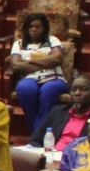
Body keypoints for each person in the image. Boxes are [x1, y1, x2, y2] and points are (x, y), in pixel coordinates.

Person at [8, 11, 68, 141]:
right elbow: (16, 65)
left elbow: (57, 58)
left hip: (53, 78)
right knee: (25, 89)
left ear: (44, 29)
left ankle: (36, 136)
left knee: (48, 91)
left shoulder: (52, 40)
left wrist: (30, 61)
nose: (34, 30)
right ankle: (39, 134)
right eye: (31, 27)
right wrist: (46, 61)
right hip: (29, 78)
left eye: (37, 27)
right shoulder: (18, 44)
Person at [41, 73, 90, 150]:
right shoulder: (57, 112)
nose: (77, 93)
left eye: (84, 89)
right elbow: (36, 140)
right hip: (53, 156)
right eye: (74, 89)